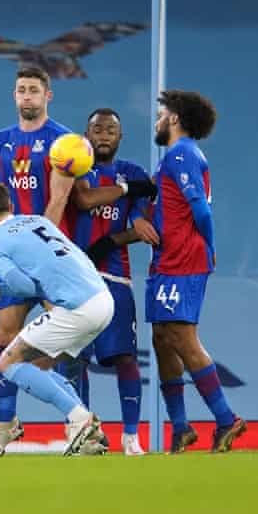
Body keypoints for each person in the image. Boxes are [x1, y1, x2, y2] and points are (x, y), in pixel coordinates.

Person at [0, 183, 112, 456]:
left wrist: (3, 288)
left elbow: (23, 287)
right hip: (102, 298)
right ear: (11, 206)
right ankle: (87, 433)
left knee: (8, 363)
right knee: (39, 367)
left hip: (77, 308)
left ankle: (80, 420)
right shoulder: (37, 221)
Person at [0, 66, 76, 456]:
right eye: (21, 90)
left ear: (47, 96)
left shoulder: (63, 141)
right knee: (4, 339)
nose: (27, 96)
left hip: (51, 259)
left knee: (67, 340)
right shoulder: (0, 142)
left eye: (34, 90)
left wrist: (37, 245)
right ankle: (6, 424)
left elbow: (60, 198)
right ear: (14, 95)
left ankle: (77, 424)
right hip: (16, 258)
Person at [148, 90, 246, 453]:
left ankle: (226, 419)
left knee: (181, 336)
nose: (157, 121)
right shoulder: (174, 157)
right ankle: (180, 427)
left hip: (183, 259)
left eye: (161, 114)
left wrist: (210, 246)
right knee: (162, 338)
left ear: (174, 118)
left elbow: (200, 209)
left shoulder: (182, 154)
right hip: (167, 259)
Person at [59, 108, 160, 455]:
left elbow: (140, 222)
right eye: (97, 130)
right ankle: (83, 432)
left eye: (110, 131)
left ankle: (131, 437)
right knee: (74, 359)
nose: (103, 135)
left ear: (120, 137)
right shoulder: (75, 169)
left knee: (125, 358)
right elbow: (85, 200)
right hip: (76, 278)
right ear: (86, 135)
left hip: (116, 276)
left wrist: (121, 234)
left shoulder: (133, 172)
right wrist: (125, 193)